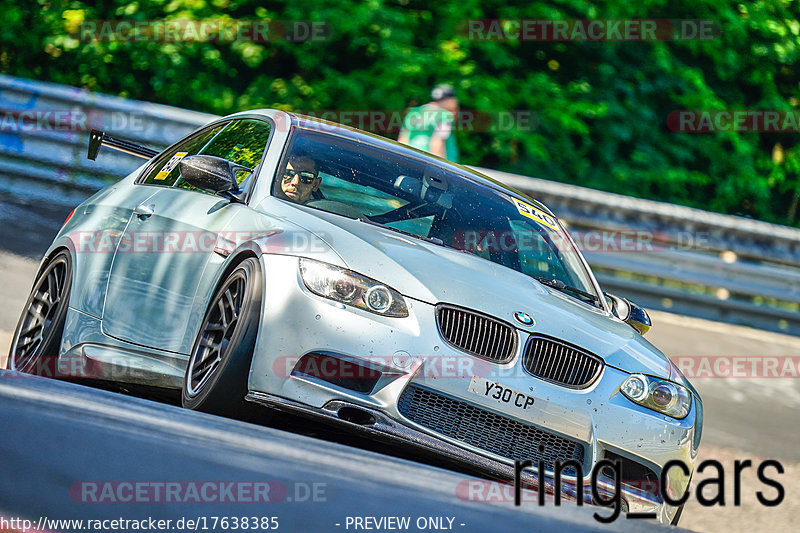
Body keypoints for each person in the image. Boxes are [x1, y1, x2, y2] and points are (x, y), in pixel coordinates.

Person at [397, 84, 460, 162]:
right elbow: (437, 142)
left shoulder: (413, 112)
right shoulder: (445, 116)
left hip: (411, 160)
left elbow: (403, 140)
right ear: (449, 100)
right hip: (431, 164)